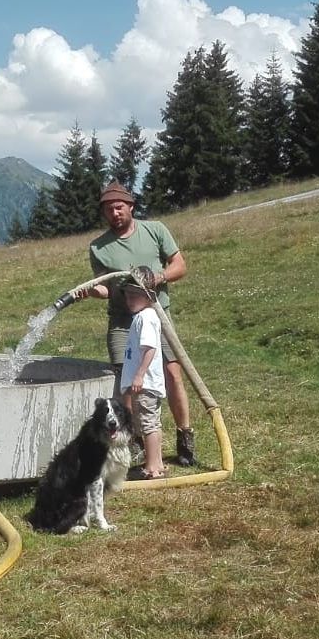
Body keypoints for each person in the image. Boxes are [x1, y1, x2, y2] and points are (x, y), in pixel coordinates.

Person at [81, 181, 197, 467]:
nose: (115, 213)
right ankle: (138, 443)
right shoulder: (98, 247)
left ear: (131, 207)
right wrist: (93, 291)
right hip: (122, 321)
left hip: (157, 315)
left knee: (173, 374)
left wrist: (157, 278)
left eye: (119, 207)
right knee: (126, 382)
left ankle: (185, 437)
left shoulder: (155, 230)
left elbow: (180, 266)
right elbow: (106, 288)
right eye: (109, 210)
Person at [119, 275, 166, 478]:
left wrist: (139, 376)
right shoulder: (142, 316)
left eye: (135, 296)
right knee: (150, 422)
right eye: (127, 295)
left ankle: (152, 468)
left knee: (148, 424)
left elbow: (149, 348)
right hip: (144, 383)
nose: (129, 300)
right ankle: (158, 463)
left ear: (148, 297)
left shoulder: (146, 317)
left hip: (145, 383)